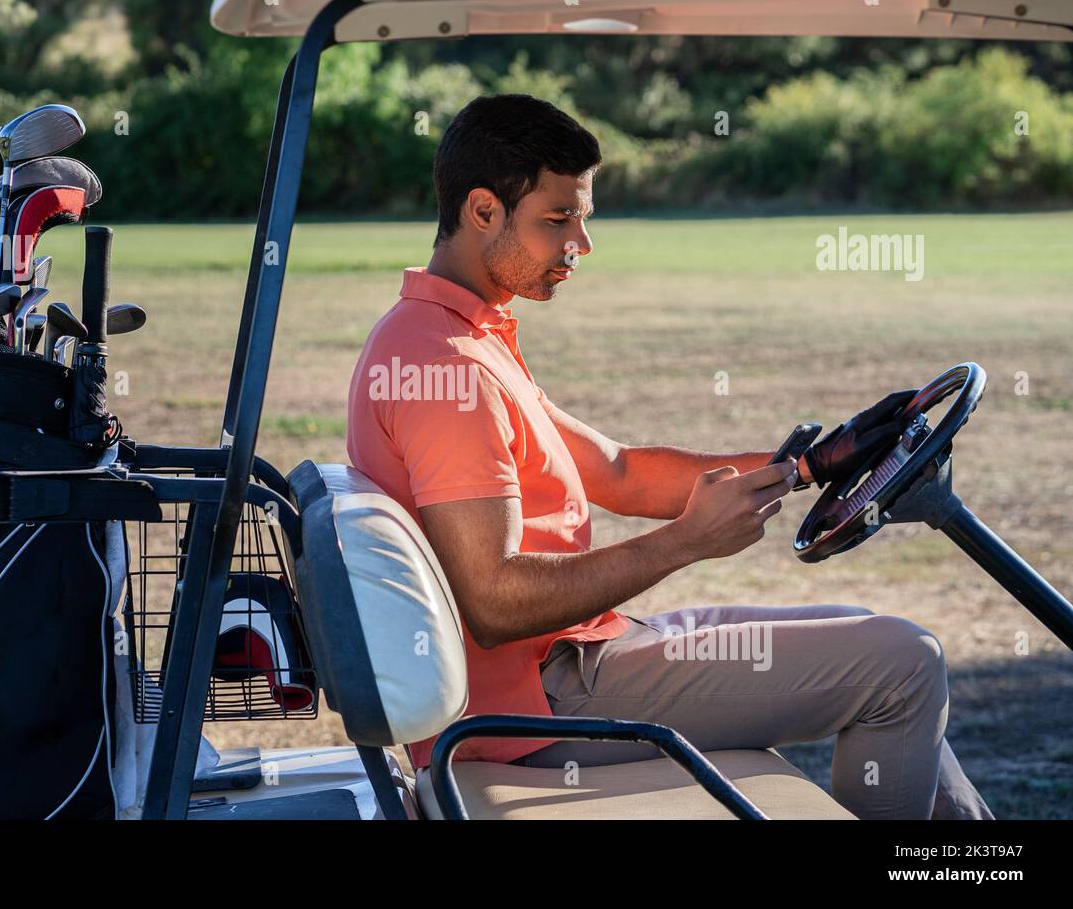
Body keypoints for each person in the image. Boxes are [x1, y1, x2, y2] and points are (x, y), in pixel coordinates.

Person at [345, 94, 993, 820]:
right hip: (536, 705)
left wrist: (815, 463)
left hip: (572, 660)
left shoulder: (464, 336)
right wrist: (686, 542)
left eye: (581, 217)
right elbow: (493, 603)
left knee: (866, 630)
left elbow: (618, 472)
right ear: (484, 211)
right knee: (906, 663)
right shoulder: (446, 367)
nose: (580, 244)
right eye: (558, 220)